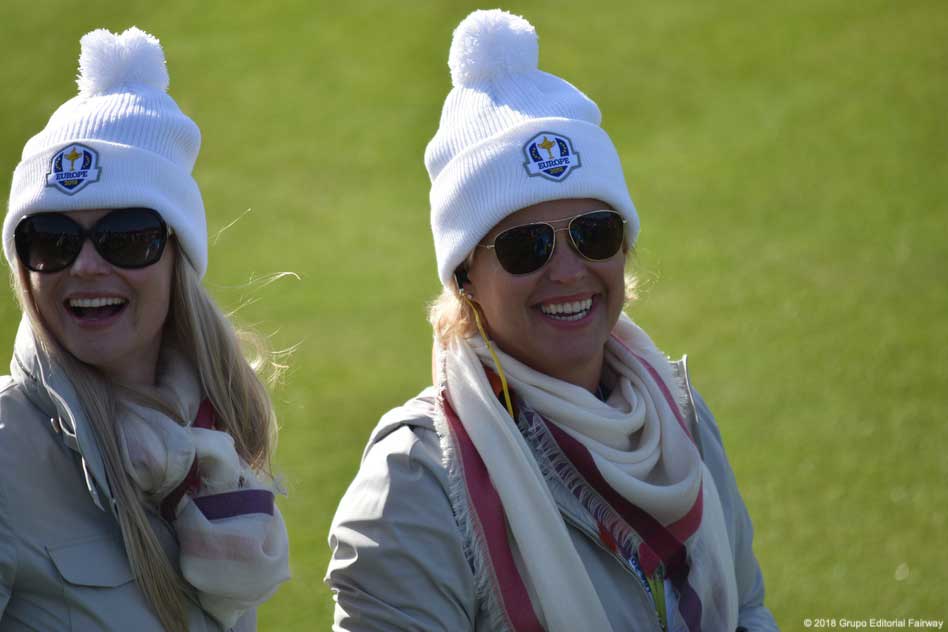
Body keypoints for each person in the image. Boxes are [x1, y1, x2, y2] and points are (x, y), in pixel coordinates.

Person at [327, 9, 778, 632]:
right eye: (526, 246)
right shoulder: (414, 482)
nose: (567, 272)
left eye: (595, 233)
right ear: (465, 277)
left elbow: (748, 610)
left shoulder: (680, 416)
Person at [0, 28, 289, 631]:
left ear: (177, 258)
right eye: (51, 241)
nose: (85, 266)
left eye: (125, 237)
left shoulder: (212, 436)